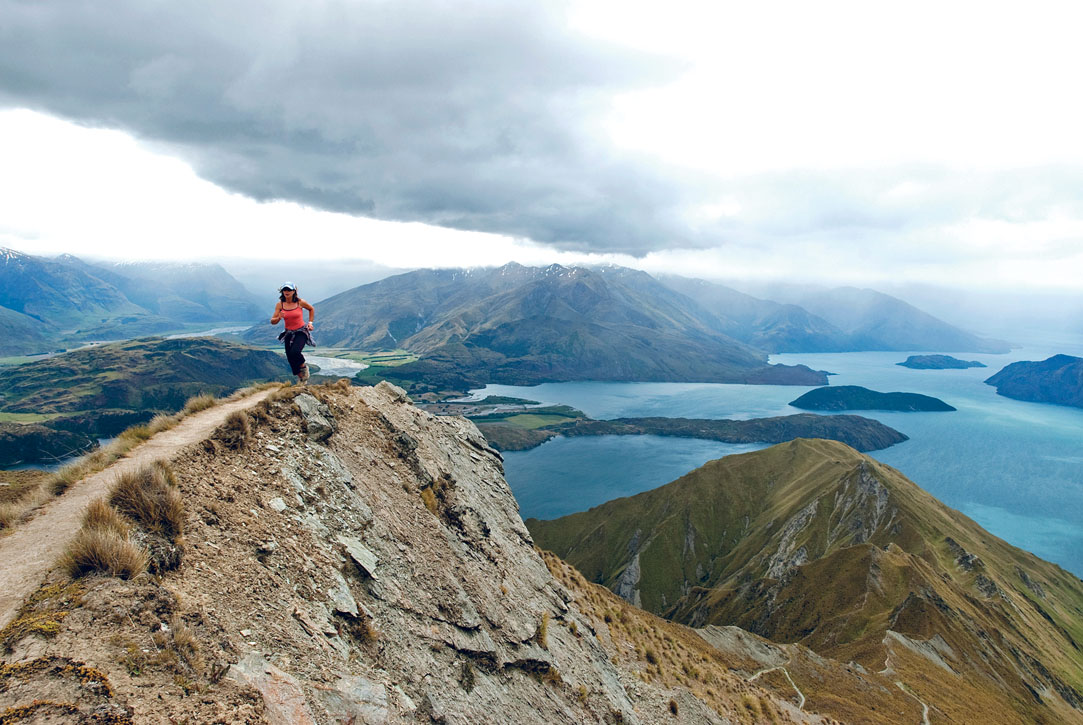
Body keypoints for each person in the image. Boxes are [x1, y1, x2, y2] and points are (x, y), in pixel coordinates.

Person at [270, 282, 315, 385]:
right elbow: (273, 321)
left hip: (301, 331)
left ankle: (304, 368)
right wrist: (279, 317)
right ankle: (302, 379)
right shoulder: (280, 304)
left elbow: (311, 309)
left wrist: (310, 323)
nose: (287, 292)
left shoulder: (300, 302)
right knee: (290, 357)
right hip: (288, 333)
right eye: (285, 290)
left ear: (294, 291)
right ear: (282, 291)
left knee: (295, 352)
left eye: (289, 290)